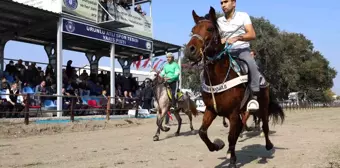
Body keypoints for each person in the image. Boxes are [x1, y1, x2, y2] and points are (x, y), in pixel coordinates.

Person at [217, 0, 260, 111]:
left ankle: (254, 96)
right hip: (226, 52)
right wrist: (220, 41)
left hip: (242, 50)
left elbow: (252, 34)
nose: (223, 5)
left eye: (226, 2)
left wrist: (237, 38)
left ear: (234, 3)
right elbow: (217, 39)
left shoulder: (243, 16)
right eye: (221, 3)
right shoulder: (219, 21)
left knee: (252, 64)